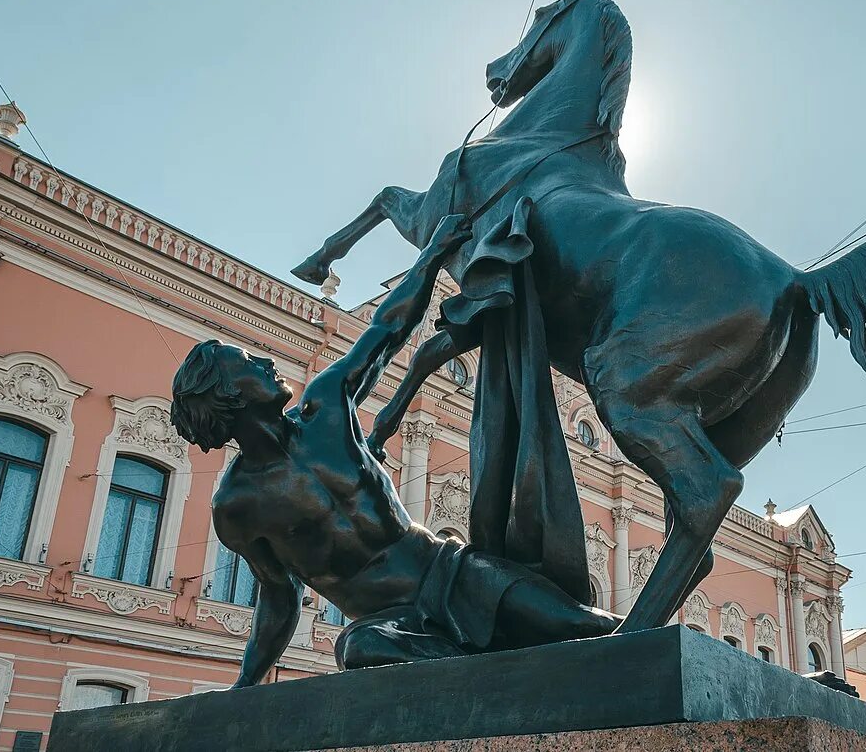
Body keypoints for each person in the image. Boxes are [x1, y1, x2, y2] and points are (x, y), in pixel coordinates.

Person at [170, 214, 617, 688]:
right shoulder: (237, 505)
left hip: (452, 573)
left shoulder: (325, 410)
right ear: (228, 396)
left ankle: (488, 656)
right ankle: (484, 668)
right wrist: (245, 687)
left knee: (586, 627)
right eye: (248, 364)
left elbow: (386, 331)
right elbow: (279, 598)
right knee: (358, 647)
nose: (265, 361)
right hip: (390, 623)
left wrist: (431, 257)